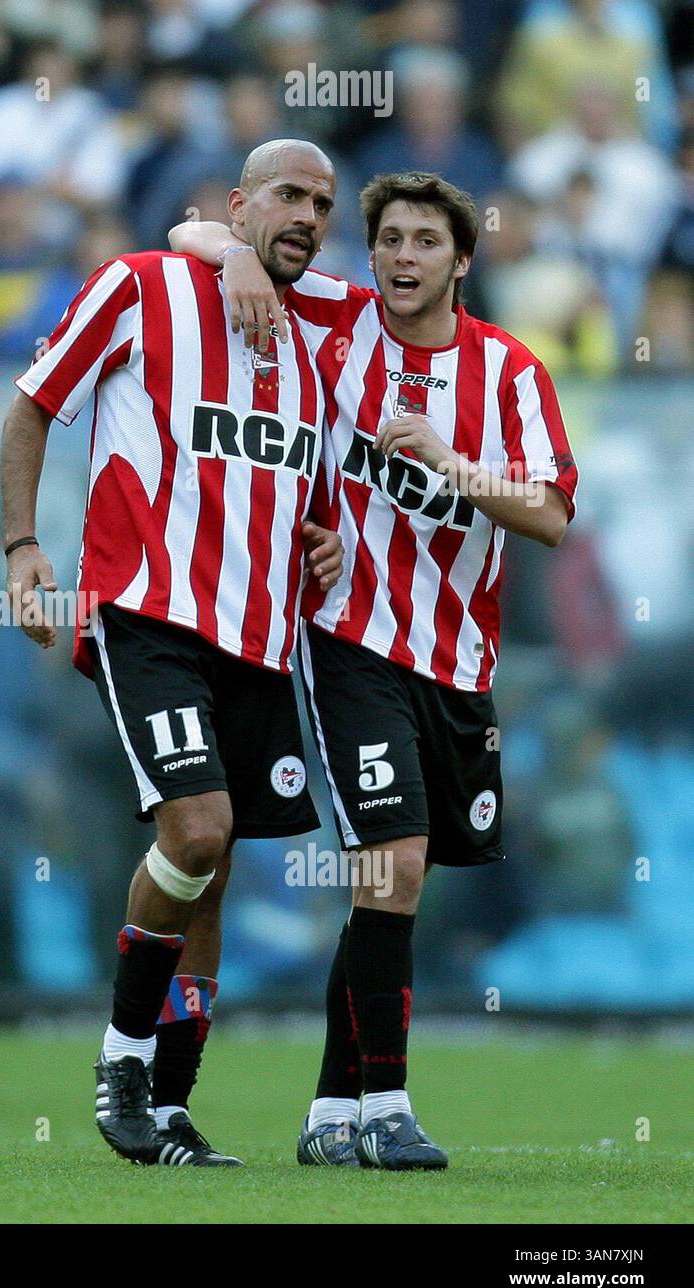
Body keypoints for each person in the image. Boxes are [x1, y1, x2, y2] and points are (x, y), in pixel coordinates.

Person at [170, 168, 578, 1169]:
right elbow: (183, 235)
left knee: (394, 888)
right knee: (388, 861)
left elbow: (550, 516)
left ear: (462, 261)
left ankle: (327, 1114)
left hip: (458, 660)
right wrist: (230, 252)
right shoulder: (337, 321)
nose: (401, 257)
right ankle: (387, 1105)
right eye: (388, 239)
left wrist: (448, 462)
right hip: (348, 639)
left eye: (423, 242)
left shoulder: (510, 374)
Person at [0, 139, 345, 1168]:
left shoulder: (323, 325)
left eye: (324, 203)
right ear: (239, 205)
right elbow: (32, 404)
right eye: (287, 195)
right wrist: (23, 547)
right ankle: (120, 1059)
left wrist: (321, 534)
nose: (307, 214)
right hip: (145, 611)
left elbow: (297, 476)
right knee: (197, 830)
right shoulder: (140, 287)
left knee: (215, 863)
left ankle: (173, 1105)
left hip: (261, 632)